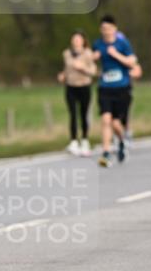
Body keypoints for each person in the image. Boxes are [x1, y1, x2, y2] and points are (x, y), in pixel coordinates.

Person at [92, 15, 137, 167]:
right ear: (101, 30)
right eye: (104, 29)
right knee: (105, 119)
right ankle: (105, 153)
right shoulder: (97, 44)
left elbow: (132, 62)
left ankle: (122, 141)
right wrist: (93, 58)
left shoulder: (122, 43)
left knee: (116, 122)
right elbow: (90, 64)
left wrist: (115, 54)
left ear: (115, 29)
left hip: (122, 87)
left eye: (109, 29)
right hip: (105, 87)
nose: (107, 31)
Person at [57, 30, 96, 156]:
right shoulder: (66, 54)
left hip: (84, 86)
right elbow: (66, 69)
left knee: (83, 114)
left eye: (78, 39)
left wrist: (82, 68)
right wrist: (62, 76)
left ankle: (85, 139)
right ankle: (73, 141)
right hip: (70, 87)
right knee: (72, 114)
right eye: (74, 39)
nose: (76, 41)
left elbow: (93, 71)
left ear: (83, 41)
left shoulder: (88, 54)